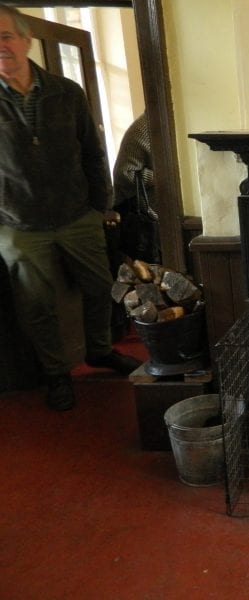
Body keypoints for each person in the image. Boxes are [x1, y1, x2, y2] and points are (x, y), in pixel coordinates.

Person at [0, 5, 141, 411]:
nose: (2, 47)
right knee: (36, 304)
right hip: (18, 223)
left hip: (77, 214)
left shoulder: (67, 93)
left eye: (7, 36)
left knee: (102, 288)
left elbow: (93, 154)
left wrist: (100, 206)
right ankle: (56, 373)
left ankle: (100, 350)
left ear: (26, 41)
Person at [112, 111, 161, 265]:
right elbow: (124, 172)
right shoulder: (144, 127)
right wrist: (161, 178)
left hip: (153, 213)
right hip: (144, 214)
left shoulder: (156, 123)